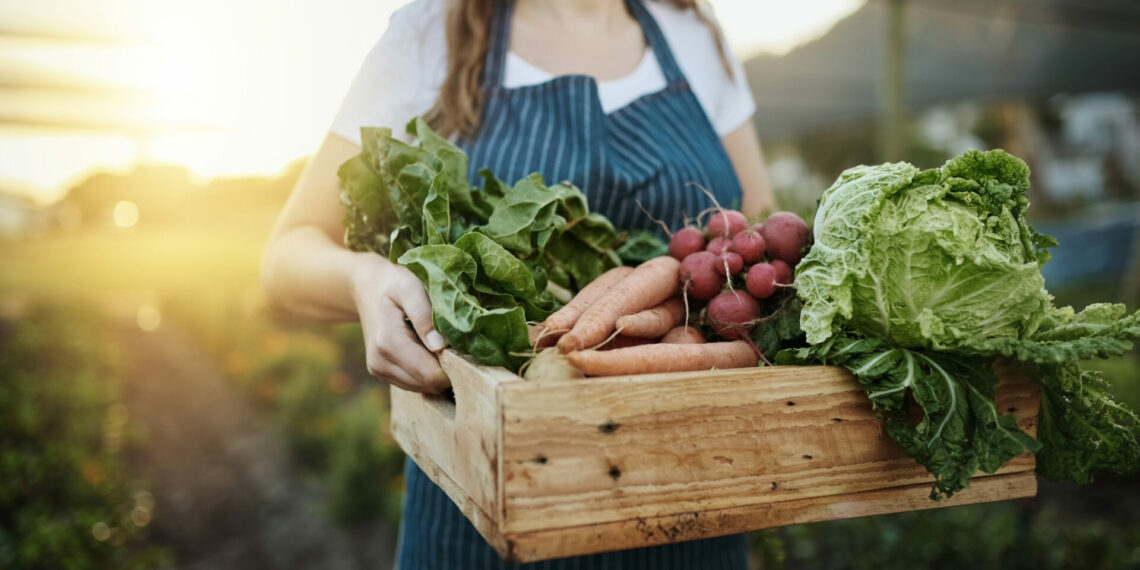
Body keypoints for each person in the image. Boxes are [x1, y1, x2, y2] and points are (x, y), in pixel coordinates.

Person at [262, 0, 776, 567]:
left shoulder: (691, 31)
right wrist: (365, 279)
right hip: (485, 503)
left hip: (694, 495)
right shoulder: (431, 29)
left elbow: (758, 240)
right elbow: (286, 254)